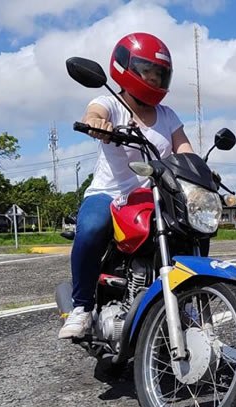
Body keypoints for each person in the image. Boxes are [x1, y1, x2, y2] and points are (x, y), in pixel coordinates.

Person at [59, 32, 194, 339]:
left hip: (154, 196)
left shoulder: (167, 115)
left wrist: (200, 171)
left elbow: (184, 149)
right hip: (111, 194)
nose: (155, 79)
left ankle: (187, 298)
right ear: (125, 67)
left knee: (194, 227)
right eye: (148, 71)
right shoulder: (109, 102)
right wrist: (98, 124)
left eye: (160, 73)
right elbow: (94, 114)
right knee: (92, 227)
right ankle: (82, 307)